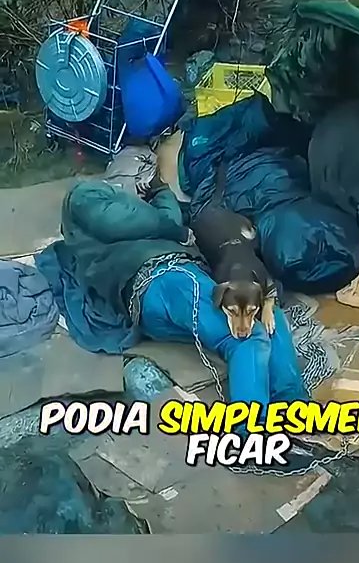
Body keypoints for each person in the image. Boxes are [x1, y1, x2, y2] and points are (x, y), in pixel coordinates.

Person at [37, 154, 310, 421]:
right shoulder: (86, 194)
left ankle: (293, 409)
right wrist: (173, 227)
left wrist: (161, 192)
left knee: (269, 317)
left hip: (163, 297)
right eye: (143, 177)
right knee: (247, 336)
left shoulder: (142, 212)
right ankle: (250, 432)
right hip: (162, 275)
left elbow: (168, 220)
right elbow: (125, 222)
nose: (144, 187)